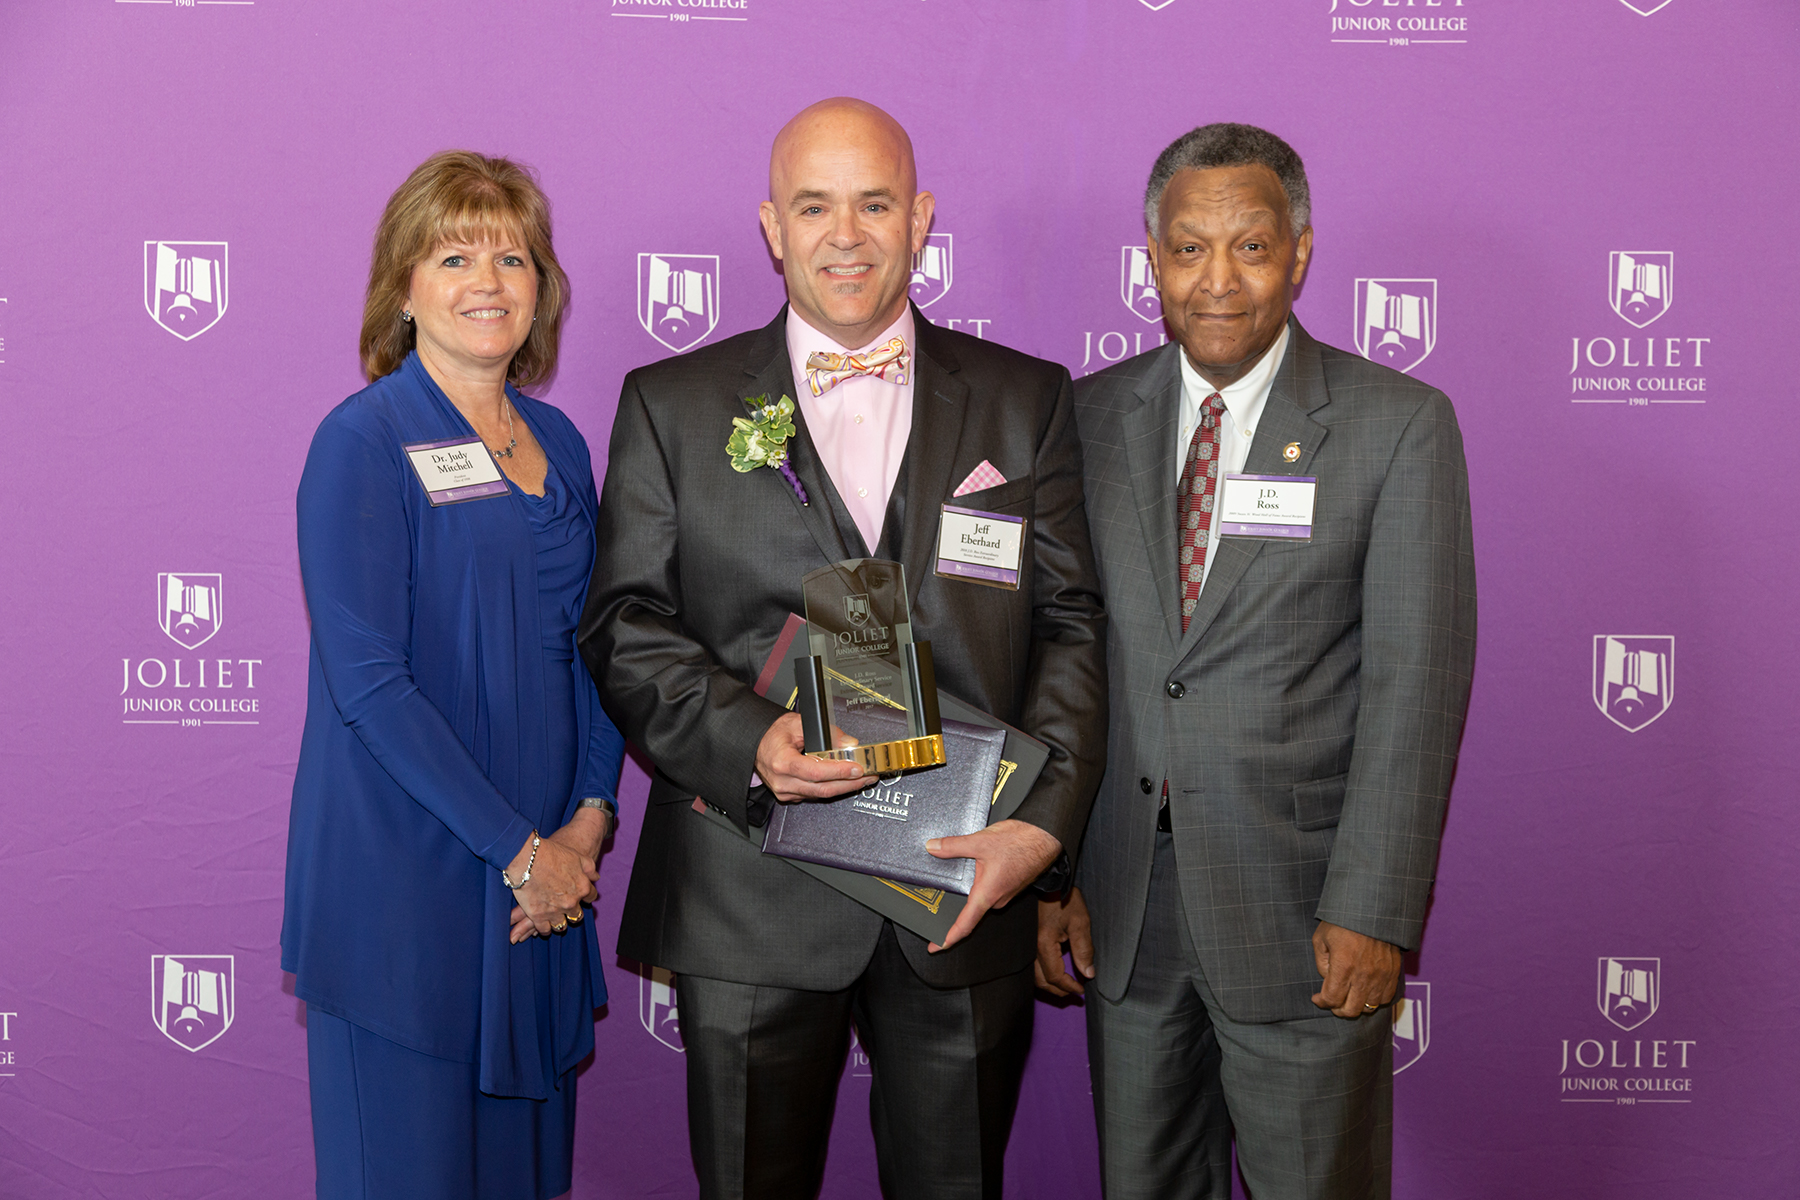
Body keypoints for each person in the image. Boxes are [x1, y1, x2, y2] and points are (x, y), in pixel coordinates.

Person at [579, 98, 1107, 1199]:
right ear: (771, 227)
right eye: (814, 205)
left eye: (874, 203)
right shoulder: (671, 407)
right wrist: (749, 740)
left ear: (921, 220)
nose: (847, 234)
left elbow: (1071, 628)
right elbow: (625, 625)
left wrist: (1040, 832)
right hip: (752, 883)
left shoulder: (1027, 401)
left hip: (963, 886)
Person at [1038, 123, 1476, 1199]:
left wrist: (1376, 907)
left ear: (1302, 251)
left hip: (1307, 917)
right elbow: (1061, 655)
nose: (1218, 281)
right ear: (1151, 259)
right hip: (1125, 910)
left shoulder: (1397, 426)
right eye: (1189, 249)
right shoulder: (1085, 419)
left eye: (1250, 247)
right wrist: (1056, 874)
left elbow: (1417, 686)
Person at [282, 150, 625, 1200]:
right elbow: (368, 682)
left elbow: (603, 647)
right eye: (454, 255)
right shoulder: (362, 439)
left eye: (513, 257)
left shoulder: (563, 443)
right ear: (403, 289)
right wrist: (518, 851)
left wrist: (587, 823)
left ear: (543, 289)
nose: (488, 280)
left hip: (543, 888)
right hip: (410, 882)